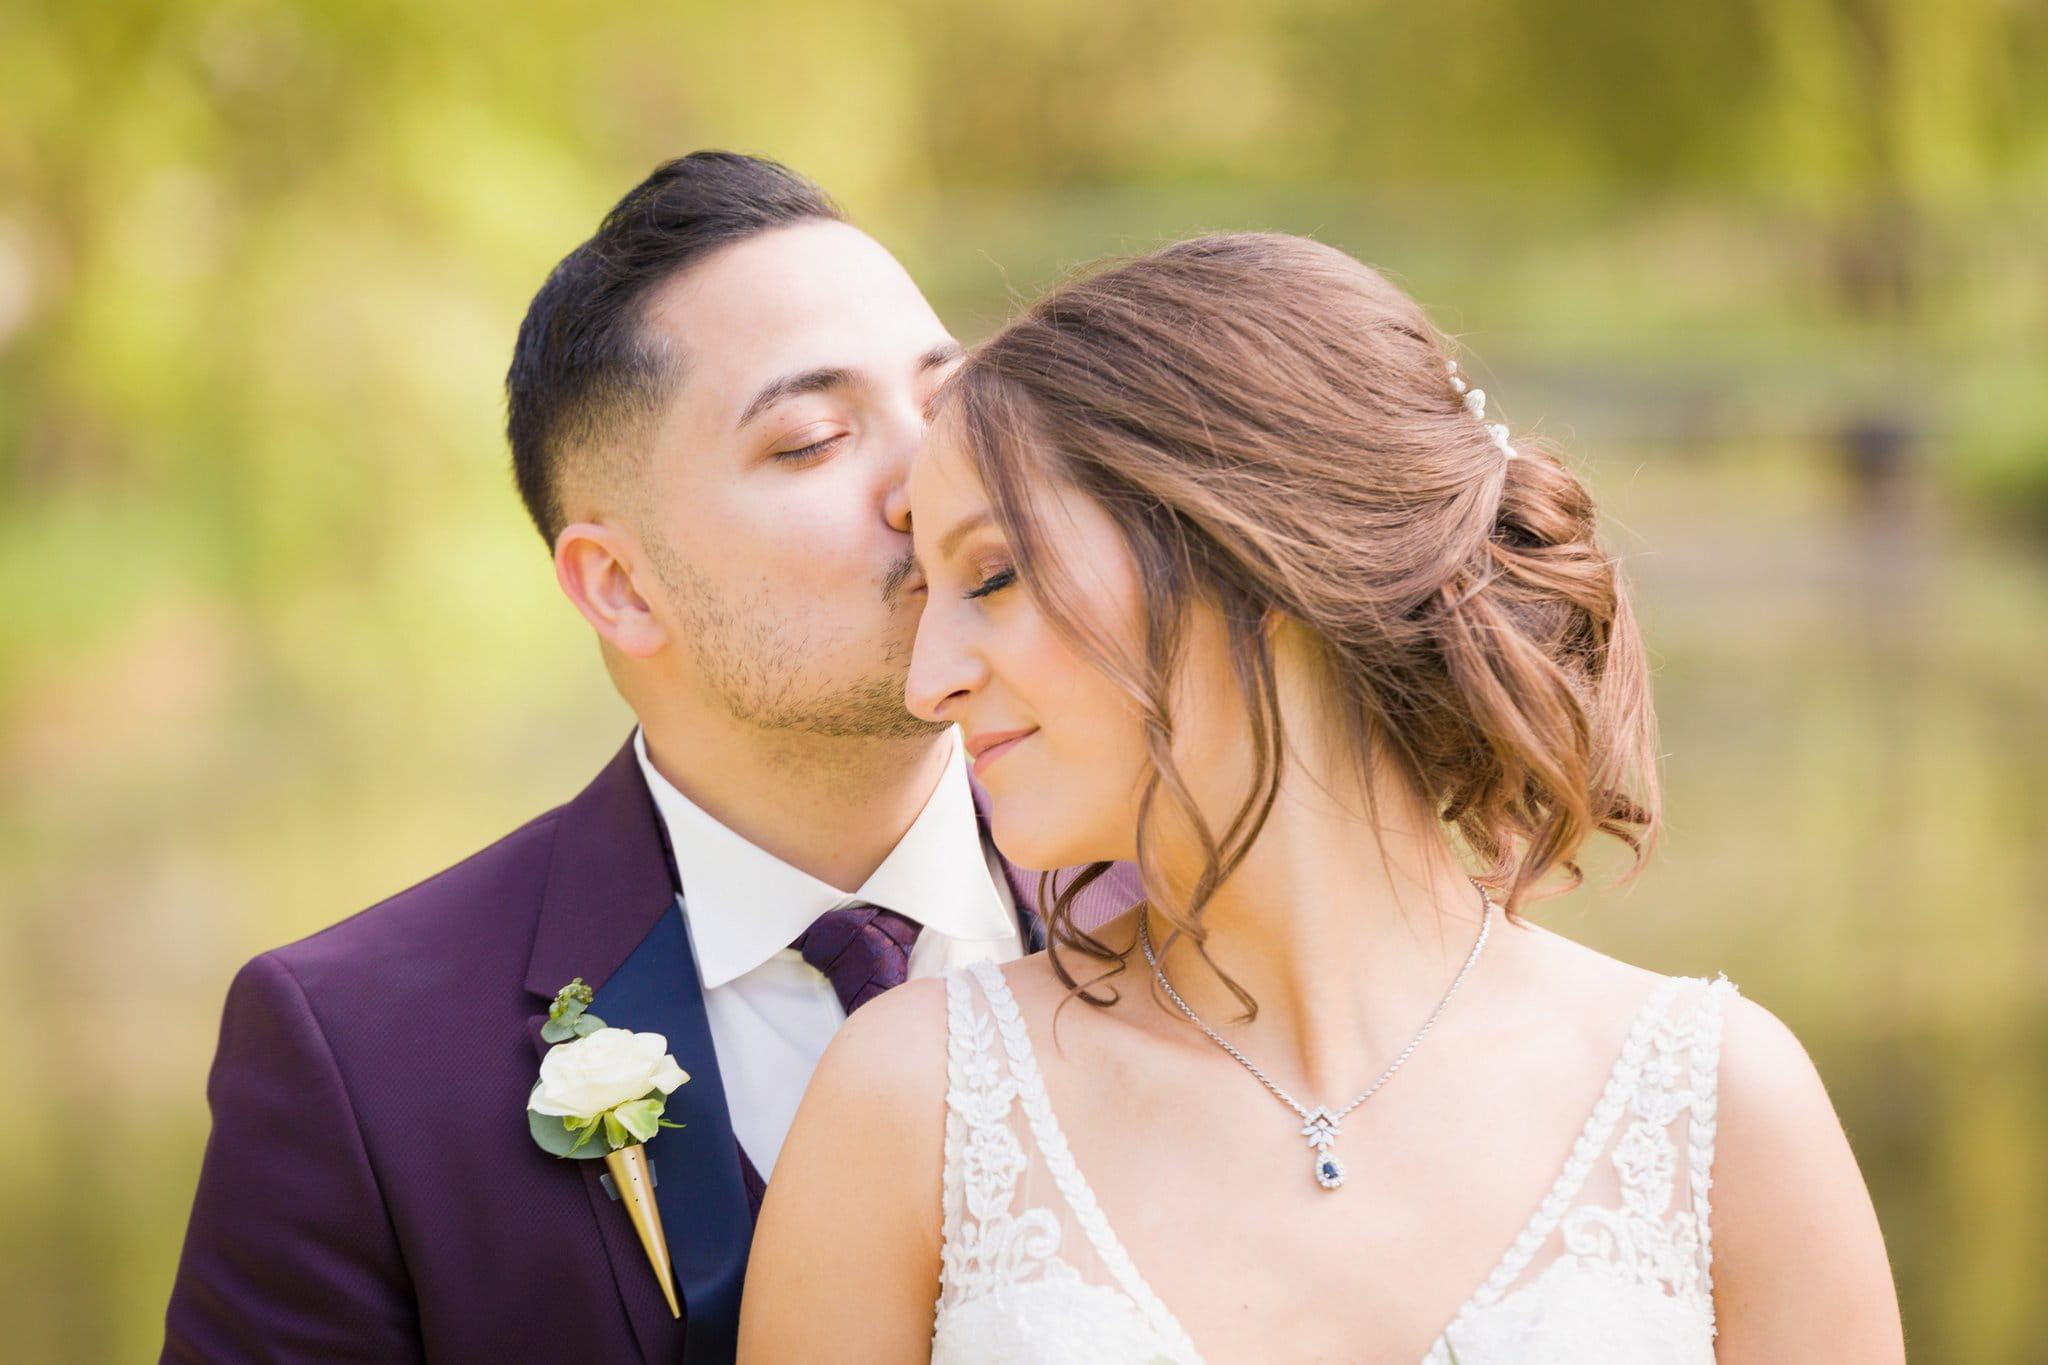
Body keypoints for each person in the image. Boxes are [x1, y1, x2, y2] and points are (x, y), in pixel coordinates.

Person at [739, 232, 1906, 1362]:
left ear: (1255, 549)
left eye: (992, 575)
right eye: (926, 594)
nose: (927, 679)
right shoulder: (911, 1106)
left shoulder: (1715, 1108)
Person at [162, 151, 1132, 1363]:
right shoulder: (356, 1058)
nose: (927, 483)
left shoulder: (1194, 911)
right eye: (815, 440)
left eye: (945, 406)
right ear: (618, 587)